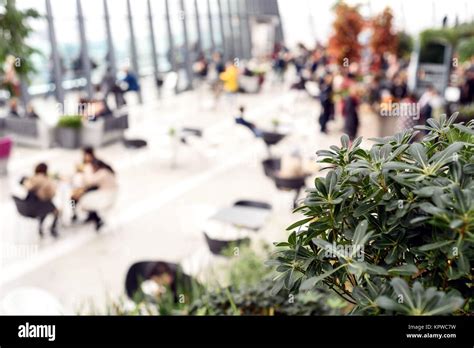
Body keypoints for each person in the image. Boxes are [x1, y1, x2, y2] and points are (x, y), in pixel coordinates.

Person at [72, 158, 117, 231]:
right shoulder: (104, 171)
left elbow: (89, 181)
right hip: (84, 190)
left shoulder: (101, 173)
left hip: (100, 193)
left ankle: (75, 213)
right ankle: (75, 213)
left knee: (76, 199)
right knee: (74, 199)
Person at [21, 163, 59, 238]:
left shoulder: (34, 178)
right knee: (56, 212)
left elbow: (28, 187)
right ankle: (52, 228)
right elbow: (53, 192)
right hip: (44, 201)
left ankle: (41, 228)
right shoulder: (44, 178)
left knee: (44, 213)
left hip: (37, 202)